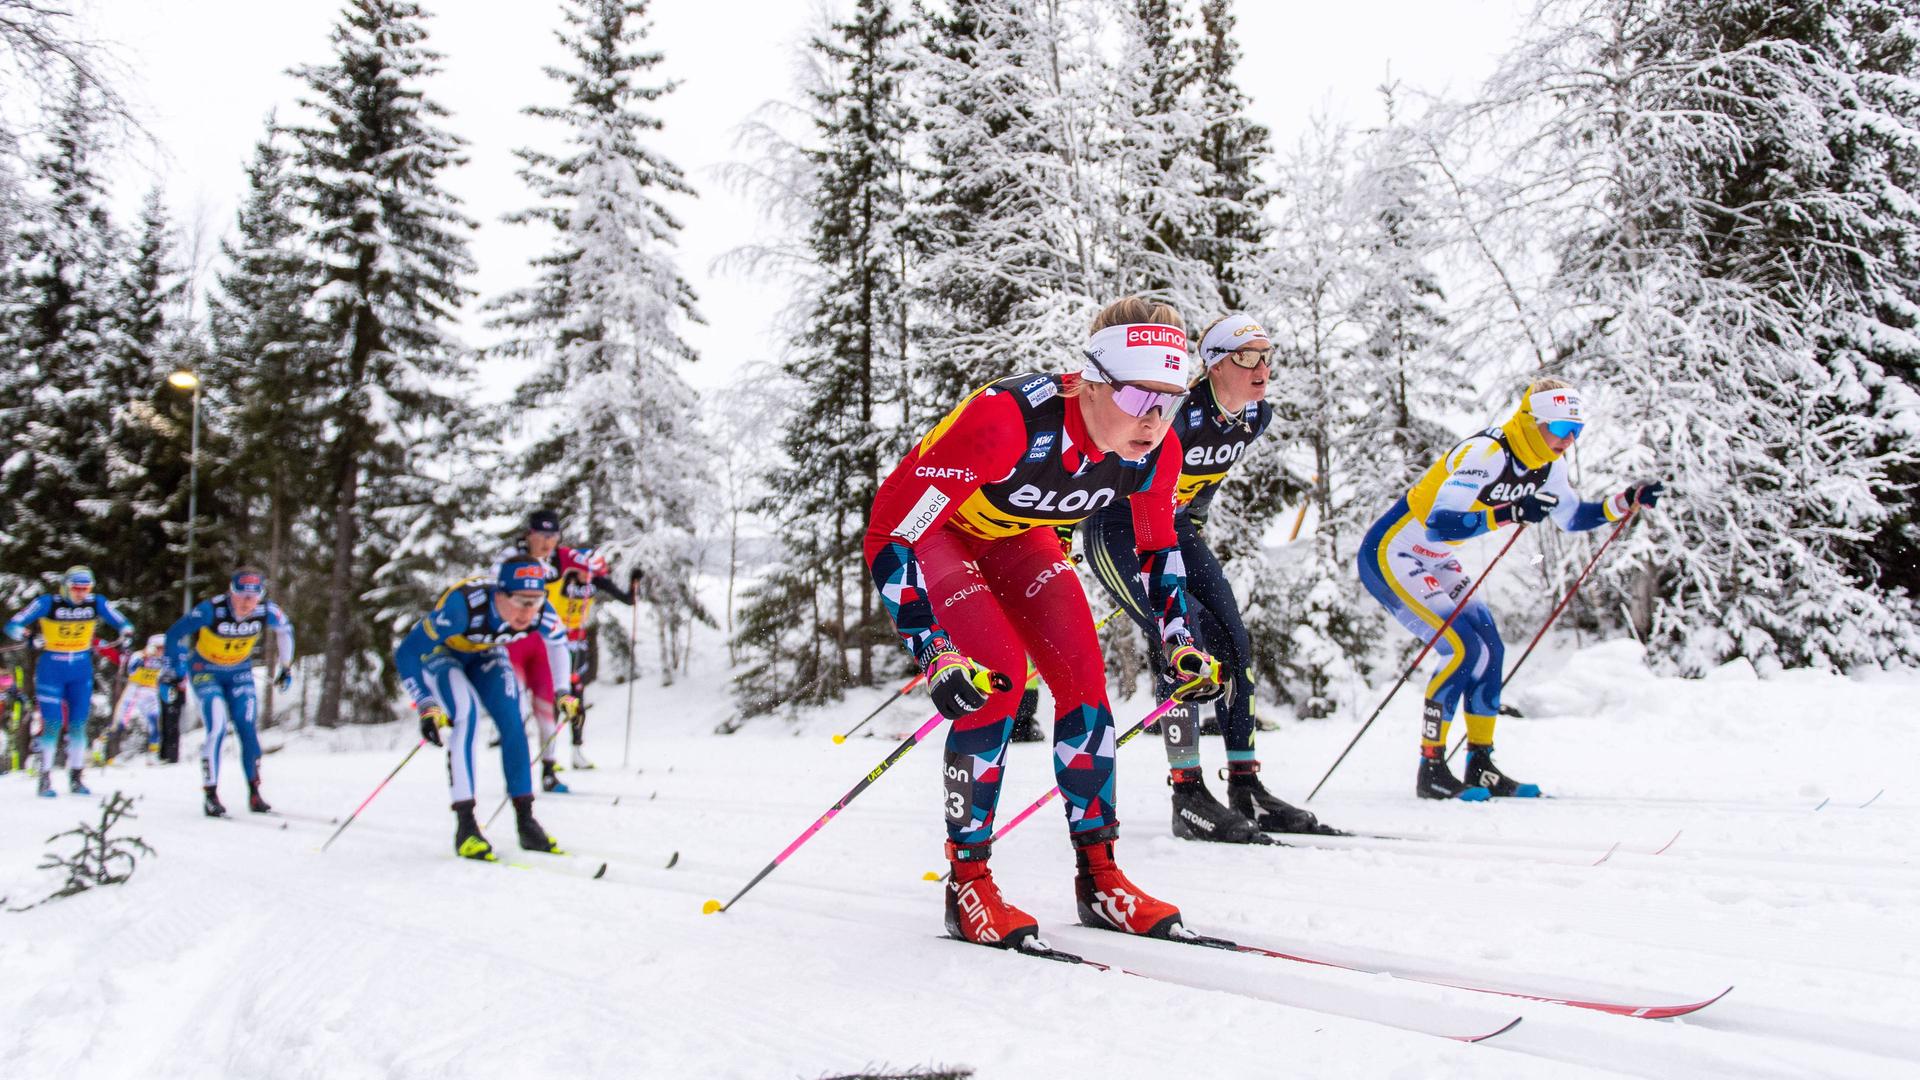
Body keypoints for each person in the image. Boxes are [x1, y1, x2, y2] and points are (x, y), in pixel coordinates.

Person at [864, 297, 1227, 953]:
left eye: (1169, 400)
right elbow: (894, 531)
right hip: (939, 538)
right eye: (1140, 395)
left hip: (1018, 542)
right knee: (997, 683)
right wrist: (933, 648)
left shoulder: (1156, 450)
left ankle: (1101, 877)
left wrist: (1181, 645)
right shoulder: (1005, 420)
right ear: (1090, 382)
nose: (1153, 418)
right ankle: (968, 883)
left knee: (1086, 688)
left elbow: (1157, 550)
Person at [1083, 312, 1339, 843]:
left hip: (1177, 529)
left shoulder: (1254, 417)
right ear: (1214, 365)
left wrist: (1192, 524)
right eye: (1246, 358)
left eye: (1267, 356)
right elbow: (1112, 464)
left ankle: (1245, 785)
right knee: (1184, 637)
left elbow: (1203, 482)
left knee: (1234, 643)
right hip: (1119, 530)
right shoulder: (1178, 413)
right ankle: (1187, 793)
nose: (1261, 368)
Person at [1357, 379, 1664, 799]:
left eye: (1577, 430)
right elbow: (1439, 523)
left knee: (1491, 648)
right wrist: (1510, 511)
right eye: (1560, 429)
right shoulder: (1486, 454)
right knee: (1461, 647)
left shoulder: (1549, 466)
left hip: (1435, 555)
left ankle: (1480, 764)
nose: (1568, 440)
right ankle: (1431, 769)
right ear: (1532, 422)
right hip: (1392, 551)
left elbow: (1573, 519)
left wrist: (1626, 500)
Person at [393, 557, 572, 860]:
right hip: (442, 653)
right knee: (466, 714)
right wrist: (426, 704)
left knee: (513, 721)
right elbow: (407, 652)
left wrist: (564, 692)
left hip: (484, 653)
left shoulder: (539, 612)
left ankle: (526, 821)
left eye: (535, 602)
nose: (528, 612)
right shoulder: (462, 609)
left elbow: (558, 643)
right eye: (520, 602)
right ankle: (466, 826)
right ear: (499, 594)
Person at [489, 509, 619, 791]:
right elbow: (494, 589)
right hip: (513, 642)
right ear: (530, 534)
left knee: (547, 705)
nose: (547, 542)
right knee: (517, 712)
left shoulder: (555, 560)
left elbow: (591, 571)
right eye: (542, 536)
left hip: (543, 642)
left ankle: (549, 772)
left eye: (553, 536)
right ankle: (517, 777)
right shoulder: (509, 556)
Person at [165, 567, 295, 816]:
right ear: (231, 592)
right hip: (205, 671)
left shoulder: (266, 610)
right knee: (218, 726)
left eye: (253, 596)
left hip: (239, 672)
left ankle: (254, 793)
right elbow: (174, 634)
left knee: (247, 727)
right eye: (241, 595)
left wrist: (286, 666)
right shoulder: (211, 610)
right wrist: (172, 670)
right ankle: (211, 794)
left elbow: (285, 630)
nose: (247, 602)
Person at [4, 567, 133, 797]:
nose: (81, 594)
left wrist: (125, 636)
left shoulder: (96, 603)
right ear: (65, 586)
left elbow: (125, 624)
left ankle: (76, 776)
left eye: (86, 589)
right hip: (52, 668)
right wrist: (30, 638)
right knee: (52, 724)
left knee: (78, 725)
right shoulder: (48, 603)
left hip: (81, 669)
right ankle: (44, 777)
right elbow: (13, 625)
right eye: (76, 589)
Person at [542, 546, 636, 770]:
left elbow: (627, 599)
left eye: (592, 572)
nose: (588, 576)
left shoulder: (595, 580)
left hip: (578, 643)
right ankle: (549, 754)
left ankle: (576, 751)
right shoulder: (562, 579)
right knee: (557, 696)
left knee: (577, 698)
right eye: (584, 571)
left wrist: (634, 582)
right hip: (555, 642)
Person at [114, 635, 171, 760]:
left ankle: (153, 754)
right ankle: (106, 749)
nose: (161, 650)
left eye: (164, 648)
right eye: (159, 647)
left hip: (151, 691)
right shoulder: (139, 655)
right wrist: (144, 657)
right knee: (122, 721)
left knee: (154, 719)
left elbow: (166, 674)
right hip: (135, 690)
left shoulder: (165, 659)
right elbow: (132, 670)